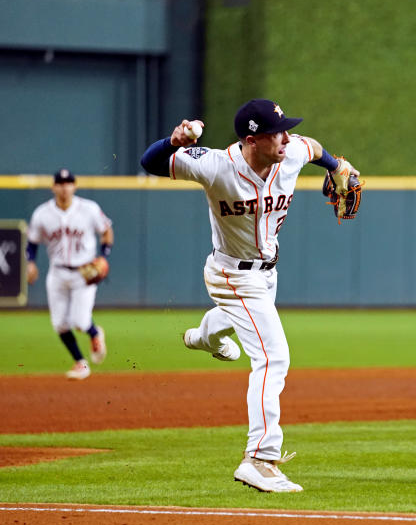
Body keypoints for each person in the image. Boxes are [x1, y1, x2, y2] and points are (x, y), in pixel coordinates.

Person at [139, 98, 360, 493]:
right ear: (252, 139)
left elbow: (313, 147)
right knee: (274, 356)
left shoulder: (290, 152)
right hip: (232, 275)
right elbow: (150, 162)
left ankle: (204, 337)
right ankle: (259, 458)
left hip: (267, 274)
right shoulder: (216, 165)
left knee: (240, 325)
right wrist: (173, 140)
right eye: (277, 131)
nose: (286, 137)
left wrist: (337, 167)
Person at [26, 168, 113, 380]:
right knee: (60, 324)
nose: (64, 188)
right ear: (53, 187)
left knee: (80, 321)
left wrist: (104, 254)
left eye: (68, 183)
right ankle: (80, 363)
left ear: (74, 186)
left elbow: (107, 230)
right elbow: (32, 242)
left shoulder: (89, 209)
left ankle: (94, 333)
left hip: (84, 272)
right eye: (60, 183)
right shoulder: (42, 213)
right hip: (57, 273)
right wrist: (30, 263)